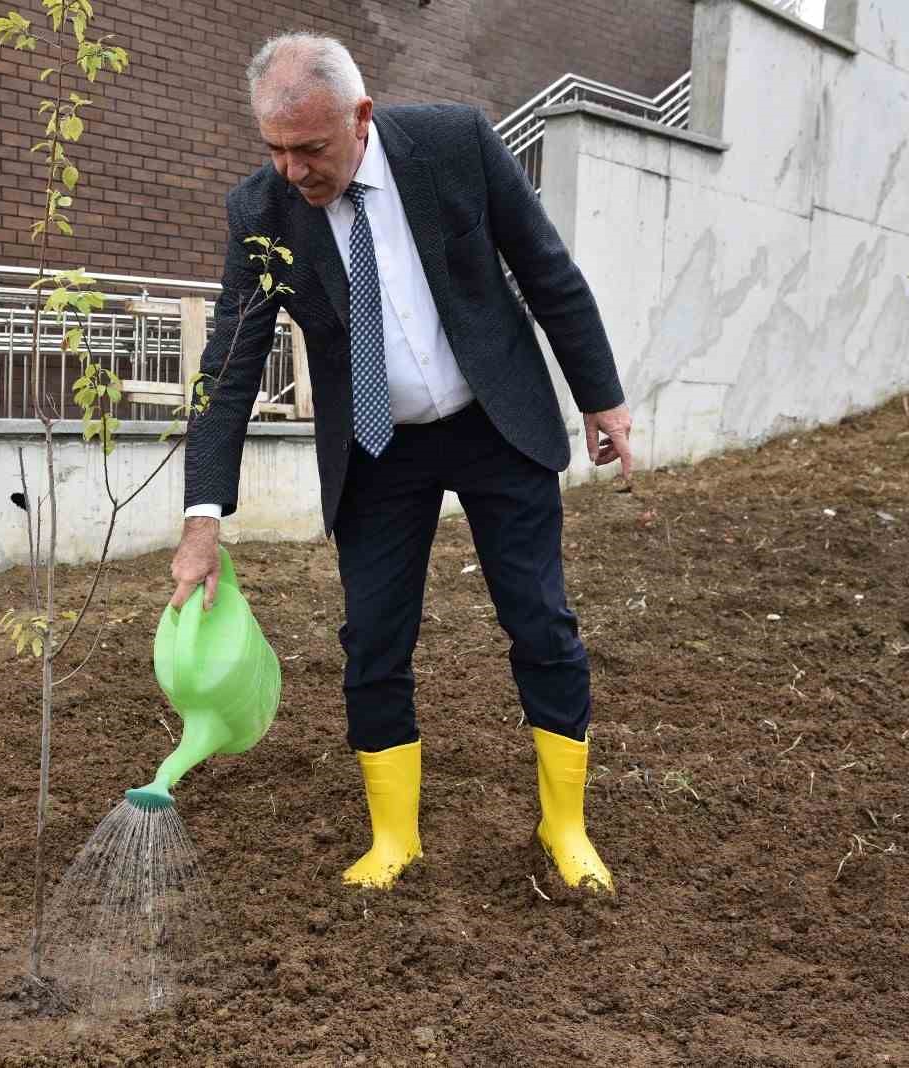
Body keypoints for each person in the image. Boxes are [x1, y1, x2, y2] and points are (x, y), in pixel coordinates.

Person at [169, 32, 631, 894]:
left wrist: (600, 396)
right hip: (377, 448)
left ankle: (564, 825)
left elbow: (546, 268)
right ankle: (394, 840)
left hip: (495, 422)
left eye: (311, 148)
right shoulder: (261, 212)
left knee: (540, 620)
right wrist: (203, 518)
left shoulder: (455, 141)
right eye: (274, 149)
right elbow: (228, 367)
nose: (294, 169)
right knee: (372, 640)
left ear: (362, 117)